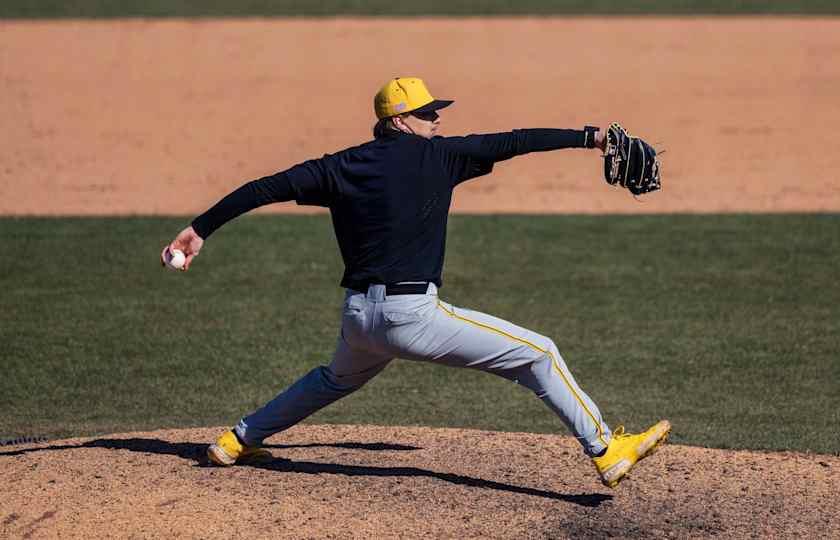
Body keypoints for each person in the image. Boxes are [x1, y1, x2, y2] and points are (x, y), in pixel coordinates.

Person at [162, 77, 670, 488]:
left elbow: (263, 187)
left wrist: (199, 229)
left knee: (334, 380)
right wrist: (593, 136)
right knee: (539, 353)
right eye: (427, 113)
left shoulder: (340, 166)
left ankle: (237, 440)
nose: (437, 118)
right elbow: (516, 142)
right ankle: (606, 450)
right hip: (413, 316)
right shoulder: (441, 157)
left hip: (360, 319)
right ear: (399, 120)